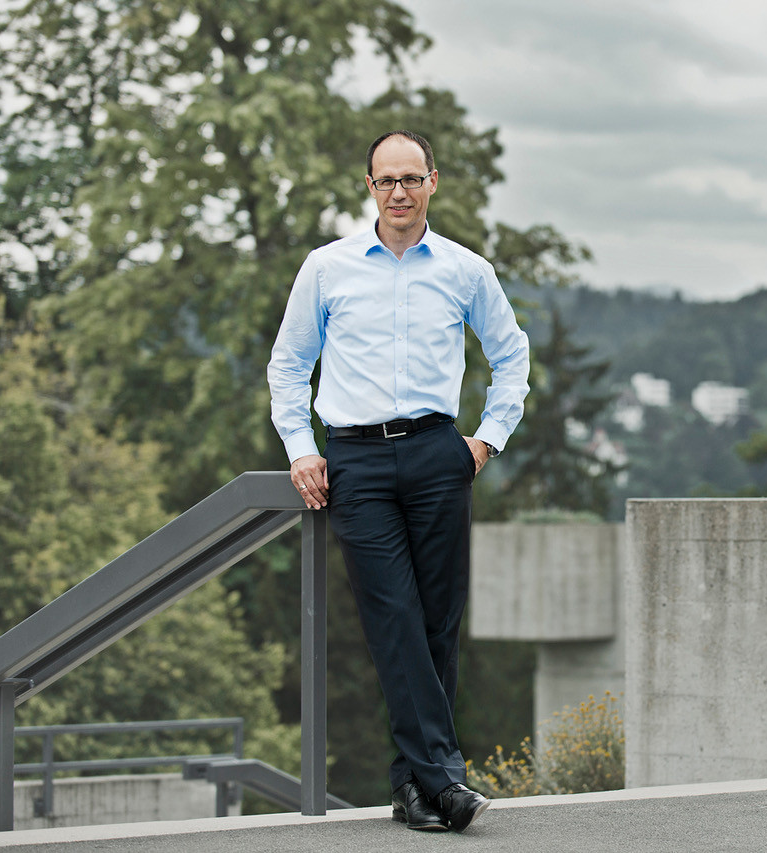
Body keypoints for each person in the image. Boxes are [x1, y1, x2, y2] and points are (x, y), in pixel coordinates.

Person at [267, 130, 529, 833]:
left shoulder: (465, 270)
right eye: (387, 180)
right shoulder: (327, 268)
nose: (400, 192)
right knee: (394, 617)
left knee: (437, 622)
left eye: (412, 178)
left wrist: (485, 439)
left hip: (438, 454)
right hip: (355, 460)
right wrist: (300, 447)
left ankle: (414, 790)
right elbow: (288, 366)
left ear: (433, 183)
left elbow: (512, 355)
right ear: (369, 186)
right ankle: (446, 779)